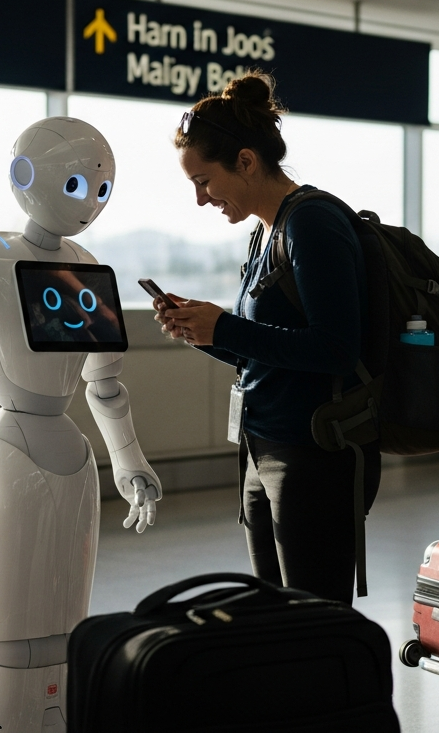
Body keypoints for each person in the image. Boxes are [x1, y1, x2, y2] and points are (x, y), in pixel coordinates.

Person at [153, 71, 378, 604]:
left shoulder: (312, 224)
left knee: (312, 621)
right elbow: (264, 349)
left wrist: (225, 325)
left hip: (313, 455)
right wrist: (203, 332)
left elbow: (336, 349)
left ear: (247, 161)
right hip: (264, 448)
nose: (201, 200)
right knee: (276, 622)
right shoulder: (264, 231)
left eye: (204, 181)